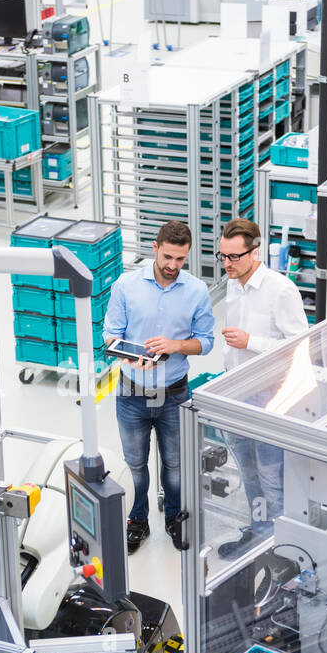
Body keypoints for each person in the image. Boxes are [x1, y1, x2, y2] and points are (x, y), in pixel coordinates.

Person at [103, 220, 215, 554]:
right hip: (132, 392)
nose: (172, 265)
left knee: (176, 465)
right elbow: (110, 333)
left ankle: (174, 517)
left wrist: (176, 345)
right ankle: (137, 519)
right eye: (167, 256)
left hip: (175, 394)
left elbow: (206, 341)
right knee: (134, 464)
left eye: (180, 259)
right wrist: (127, 355)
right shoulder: (126, 285)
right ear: (155, 247)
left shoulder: (196, 291)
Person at [215, 217, 310, 559]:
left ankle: (282, 551)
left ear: (255, 253)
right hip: (237, 396)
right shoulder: (234, 284)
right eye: (222, 256)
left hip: (270, 401)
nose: (226, 264)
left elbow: (300, 345)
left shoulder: (280, 290)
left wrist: (250, 341)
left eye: (234, 257)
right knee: (249, 474)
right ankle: (259, 535)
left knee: (272, 478)